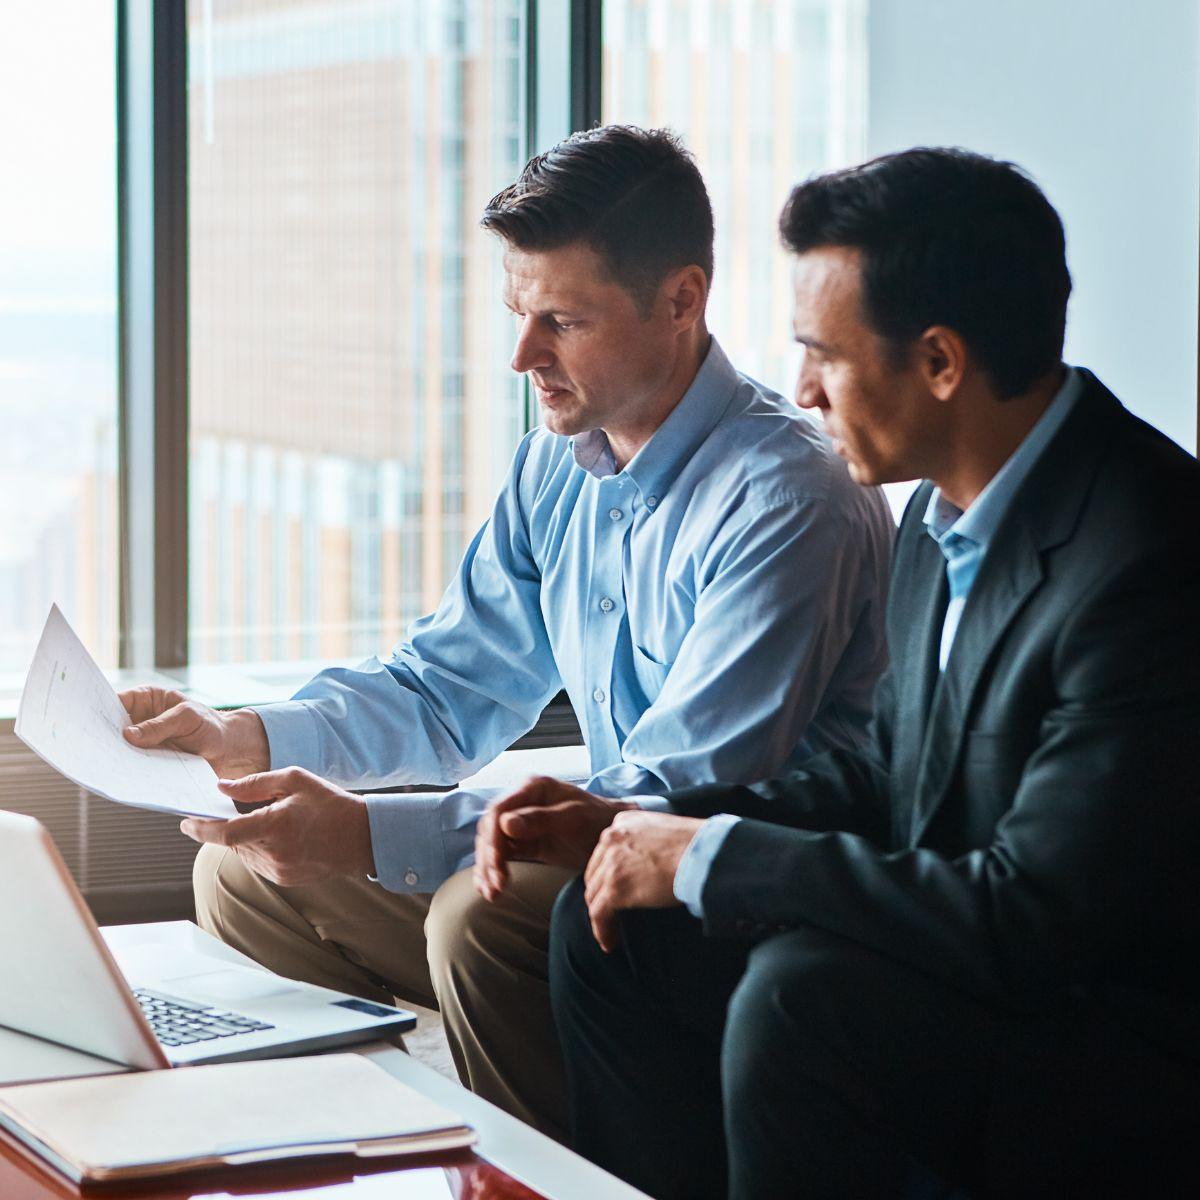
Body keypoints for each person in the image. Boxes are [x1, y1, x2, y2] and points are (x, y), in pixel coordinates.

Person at [118, 125, 894, 1138]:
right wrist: (243, 739)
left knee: (482, 918)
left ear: (682, 301)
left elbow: (677, 797)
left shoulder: (786, 496)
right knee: (245, 874)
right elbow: (444, 689)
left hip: (730, 892)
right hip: (606, 855)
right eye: (517, 313)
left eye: (562, 321)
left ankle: (547, 1170)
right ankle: (356, 1154)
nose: (522, 355)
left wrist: (362, 832)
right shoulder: (555, 463)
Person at [478, 147, 1200, 1197]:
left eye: (826, 355)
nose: (803, 389)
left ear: (942, 362)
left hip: (1110, 1030)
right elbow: (886, 780)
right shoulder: (938, 519)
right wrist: (637, 828)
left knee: (800, 994)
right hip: (976, 958)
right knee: (619, 928)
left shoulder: (1146, 554)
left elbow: (1035, 915)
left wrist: (713, 859)